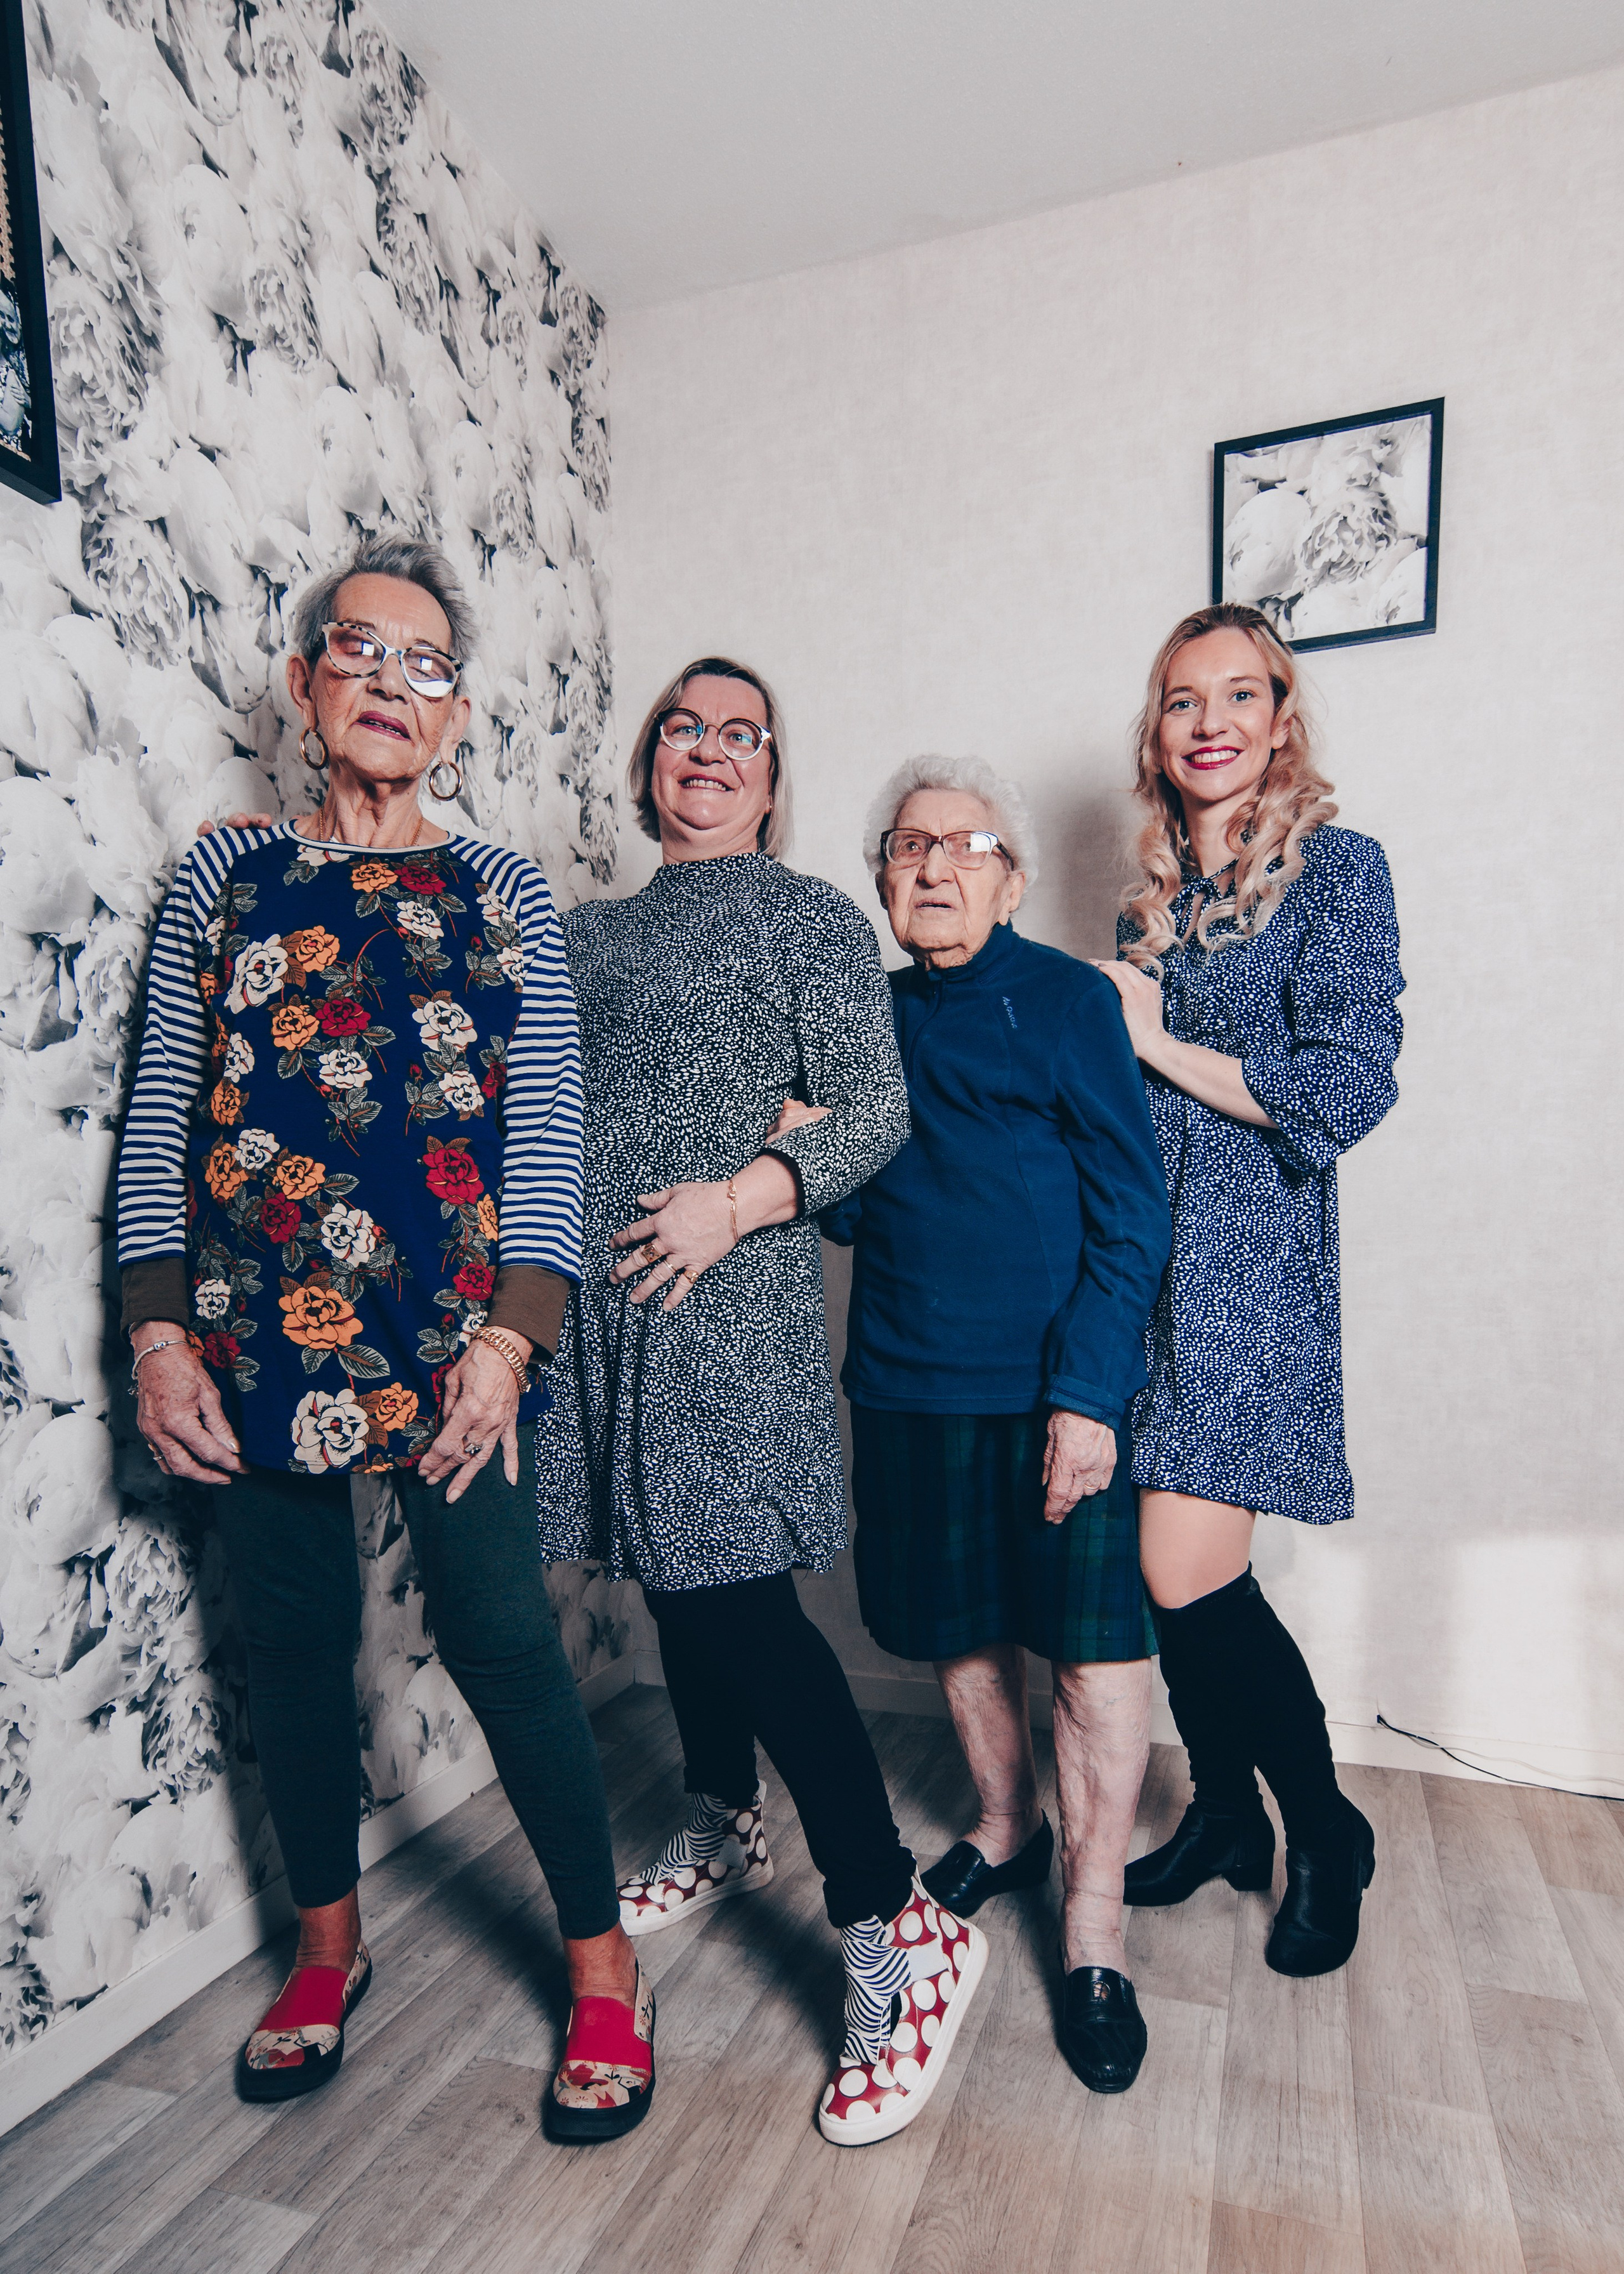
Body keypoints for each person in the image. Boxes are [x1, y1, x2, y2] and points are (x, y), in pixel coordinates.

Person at [119, 537, 652, 2141]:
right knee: (287, 1642)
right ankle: (326, 1949)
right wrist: (155, 1335)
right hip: (244, 1342)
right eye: (356, 651)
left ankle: (603, 1960)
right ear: (302, 684)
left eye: (424, 665)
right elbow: (160, 1115)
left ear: (459, 712)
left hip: (450, 1345)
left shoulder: (500, 893)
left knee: (498, 1636)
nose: (386, 684)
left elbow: (544, 1131)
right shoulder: (220, 879)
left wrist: (509, 1344)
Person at [534, 659, 988, 2145]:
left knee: (737, 1604)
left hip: (727, 1312)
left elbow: (872, 1108)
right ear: (649, 761)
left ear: (773, 780)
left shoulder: (807, 917)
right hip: (604, 1319)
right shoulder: (583, 929)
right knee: (675, 1579)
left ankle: (892, 1932)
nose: (711, 750)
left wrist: (740, 1198)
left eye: (744, 736)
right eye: (686, 727)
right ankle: (723, 1819)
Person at [808, 757, 1171, 2096]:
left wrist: (1088, 1395)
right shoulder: (864, 1012)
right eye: (908, 846)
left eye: (966, 845)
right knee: (959, 1629)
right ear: (883, 878)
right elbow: (848, 1206)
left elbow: (1132, 1212)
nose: (935, 866)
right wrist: (809, 1143)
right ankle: (1007, 1822)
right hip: (905, 1377)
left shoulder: (1068, 1001)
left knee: (1088, 1653)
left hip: (1048, 1388)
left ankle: (1091, 1928)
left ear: (1010, 878)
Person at [1096, 601, 1403, 1977]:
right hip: (1138, 1263)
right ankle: (1224, 1811)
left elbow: (1340, 1087)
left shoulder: (1337, 871)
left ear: (1279, 719)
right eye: (1181, 699)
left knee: (1182, 1563)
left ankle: (1323, 1829)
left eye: (1238, 695)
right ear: (1155, 735)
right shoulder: (1150, 901)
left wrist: (1153, 1045)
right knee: (1161, 1578)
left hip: (1248, 1266)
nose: (1209, 721)